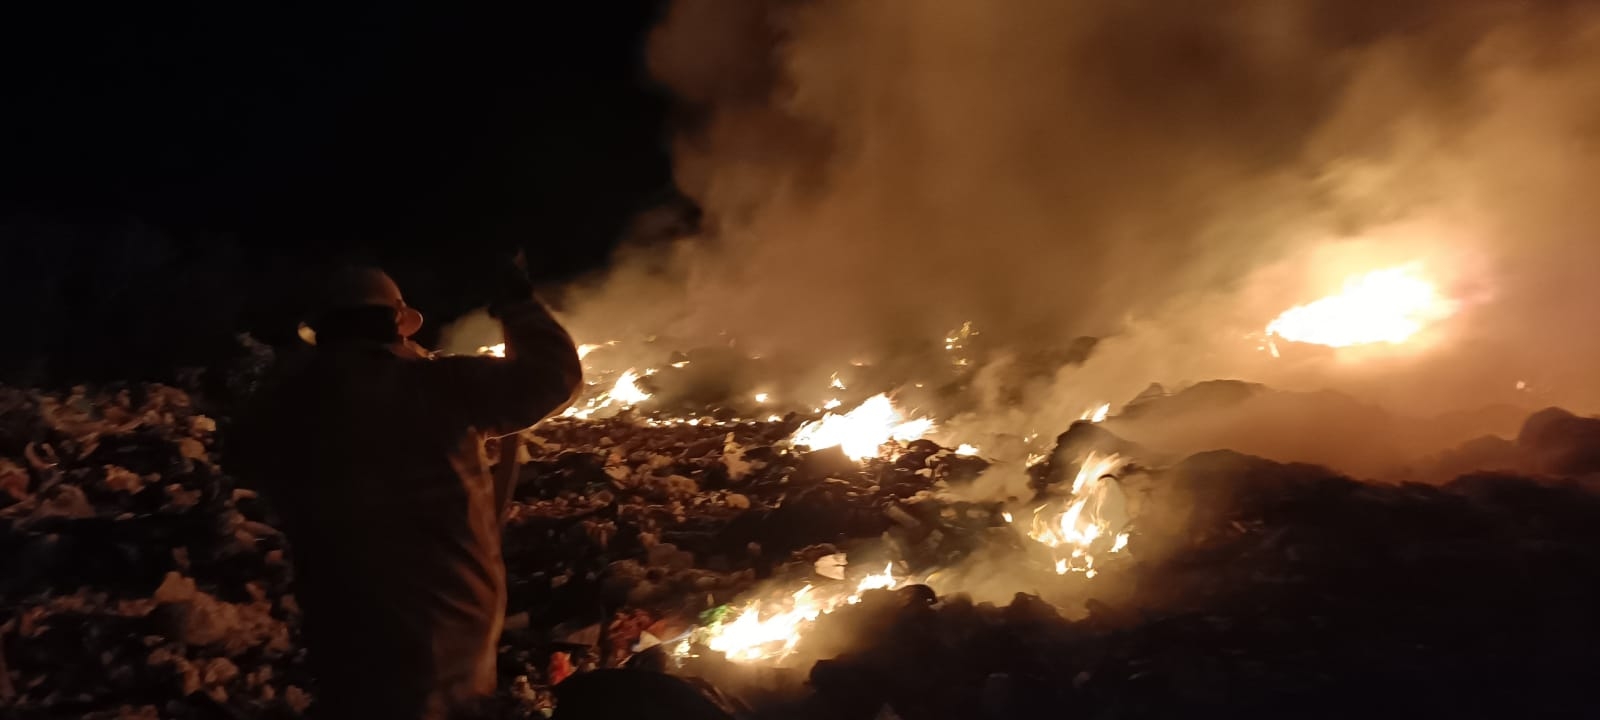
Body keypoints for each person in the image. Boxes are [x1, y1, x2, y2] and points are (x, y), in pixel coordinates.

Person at [234, 261, 582, 719]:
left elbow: (245, 461)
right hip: (443, 622)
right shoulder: (438, 384)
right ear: (398, 321)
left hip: (339, 615)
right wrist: (518, 305)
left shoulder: (285, 403)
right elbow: (554, 378)